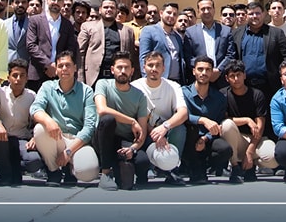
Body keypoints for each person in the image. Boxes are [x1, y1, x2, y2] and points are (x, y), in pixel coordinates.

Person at [29, 49, 100, 186]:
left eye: (68, 65)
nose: (64, 69)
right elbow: (35, 109)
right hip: (57, 138)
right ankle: (53, 170)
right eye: (60, 66)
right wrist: (48, 121)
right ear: (56, 69)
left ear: (75, 68)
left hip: (77, 140)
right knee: (40, 129)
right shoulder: (47, 87)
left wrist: (69, 151)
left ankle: (70, 169)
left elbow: (89, 126)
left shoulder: (86, 91)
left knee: (88, 172)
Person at [93, 52, 150, 190]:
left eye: (126, 67)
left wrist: (132, 149)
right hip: (104, 140)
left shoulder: (140, 96)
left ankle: (123, 167)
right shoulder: (103, 84)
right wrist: (132, 121)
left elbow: (142, 133)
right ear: (112, 70)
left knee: (142, 162)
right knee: (108, 119)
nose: (123, 71)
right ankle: (105, 173)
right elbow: (102, 110)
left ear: (132, 71)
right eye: (119, 67)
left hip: (125, 142)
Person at [132, 51, 189, 184]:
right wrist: (155, 133)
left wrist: (165, 127)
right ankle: (148, 168)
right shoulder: (135, 86)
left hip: (167, 130)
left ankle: (173, 168)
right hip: (145, 131)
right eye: (150, 65)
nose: (154, 69)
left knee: (180, 128)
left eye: (158, 65)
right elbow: (134, 116)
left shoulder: (173, 86)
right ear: (144, 67)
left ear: (164, 68)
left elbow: (183, 113)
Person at [0, 58, 42, 185]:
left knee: (34, 161)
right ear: (8, 77)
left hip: (21, 140)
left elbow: (38, 119)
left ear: (27, 78)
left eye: (22, 75)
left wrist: (35, 137)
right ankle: (6, 171)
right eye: (15, 75)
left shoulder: (32, 96)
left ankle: (14, 168)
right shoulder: (0, 92)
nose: (18, 79)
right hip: (2, 140)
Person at [220, 60, 277, 182]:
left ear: (244, 75)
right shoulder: (223, 95)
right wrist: (247, 120)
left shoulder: (257, 95)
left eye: (239, 75)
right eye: (232, 76)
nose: (236, 79)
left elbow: (260, 127)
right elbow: (224, 120)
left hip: (255, 140)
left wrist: (250, 152)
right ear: (227, 78)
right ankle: (235, 166)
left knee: (273, 158)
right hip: (236, 140)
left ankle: (251, 164)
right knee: (226, 125)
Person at [181, 56, 231, 183]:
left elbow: (219, 123)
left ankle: (210, 165)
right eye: (200, 69)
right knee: (189, 130)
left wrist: (205, 138)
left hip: (208, 140)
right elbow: (180, 115)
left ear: (212, 72)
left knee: (225, 150)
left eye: (208, 70)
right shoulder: (183, 93)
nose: (203, 73)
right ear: (194, 71)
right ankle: (191, 168)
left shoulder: (220, 98)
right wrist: (202, 120)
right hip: (188, 140)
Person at [232, 1, 286, 98]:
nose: (254, 16)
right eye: (251, 14)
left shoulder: (276, 34)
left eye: (257, 13)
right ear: (246, 15)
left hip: (270, 87)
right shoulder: (236, 34)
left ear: (263, 14)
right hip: (244, 87)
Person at [25, 0, 79, 92]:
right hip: (37, 73)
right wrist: (48, 65)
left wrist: (59, 66)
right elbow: (31, 45)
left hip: (59, 74)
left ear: (62, 3)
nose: (56, 2)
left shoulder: (67, 24)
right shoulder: (35, 20)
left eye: (59, 0)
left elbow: (70, 48)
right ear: (47, 0)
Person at [78, 0, 136, 87]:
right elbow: (80, 54)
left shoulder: (127, 31)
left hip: (119, 76)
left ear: (116, 10)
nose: (109, 9)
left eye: (112, 7)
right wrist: (80, 79)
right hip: (94, 77)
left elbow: (132, 57)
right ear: (100, 10)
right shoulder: (87, 27)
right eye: (106, 7)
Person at [182, 0, 236, 90]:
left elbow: (230, 54)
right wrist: (204, 70)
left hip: (221, 80)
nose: (206, 11)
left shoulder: (226, 31)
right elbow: (188, 56)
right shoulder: (190, 32)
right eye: (203, 9)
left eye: (209, 8)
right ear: (198, 12)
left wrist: (219, 70)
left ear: (214, 10)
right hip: (199, 80)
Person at [139, 3, 186, 84]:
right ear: (161, 13)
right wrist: (147, 79)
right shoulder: (148, 31)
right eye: (169, 13)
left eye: (174, 14)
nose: (171, 16)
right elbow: (144, 57)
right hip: (157, 80)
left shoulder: (177, 36)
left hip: (177, 82)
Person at [5, 0, 31, 65]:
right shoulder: (4, 24)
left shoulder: (33, 24)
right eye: (17, 2)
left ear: (27, 4)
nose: (20, 5)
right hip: (7, 66)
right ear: (12, 4)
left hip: (26, 67)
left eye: (23, 2)